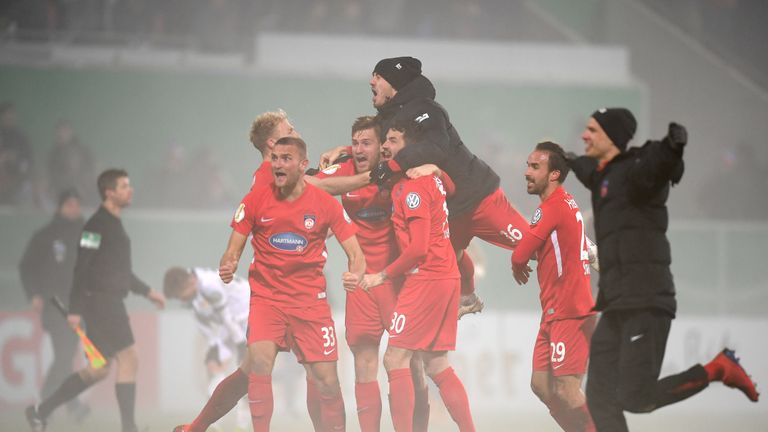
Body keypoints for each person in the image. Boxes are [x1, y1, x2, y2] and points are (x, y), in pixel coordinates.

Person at [568, 108, 759, 431]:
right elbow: (585, 168)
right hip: (616, 303)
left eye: (592, 130)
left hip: (646, 299)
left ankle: (717, 369)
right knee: (599, 397)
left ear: (612, 137)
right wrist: (563, 157)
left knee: (635, 397)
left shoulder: (638, 171)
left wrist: (673, 146)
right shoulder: (603, 175)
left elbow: (658, 165)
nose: (585, 135)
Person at [174, 110, 348, 432]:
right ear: (272, 143)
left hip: (301, 287)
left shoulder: (276, 172)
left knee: (263, 372)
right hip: (279, 291)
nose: (294, 130)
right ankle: (197, 427)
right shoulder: (268, 177)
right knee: (273, 371)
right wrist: (365, 171)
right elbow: (323, 188)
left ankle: (195, 428)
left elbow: (315, 190)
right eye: (288, 128)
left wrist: (344, 154)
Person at [365, 56, 531, 318]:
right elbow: (370, 145)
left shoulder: (426, 109)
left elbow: (437, 146)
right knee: (446, 258)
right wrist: (340, 152)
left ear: (393, 83)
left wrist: (395, 167)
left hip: (478, 199)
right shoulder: (387, 119)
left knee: (533, 248)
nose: (371, 81)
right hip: (448, 210)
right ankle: (468, 298)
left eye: (377, 76)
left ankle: (581, 247)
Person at [220, 136, 365, 431]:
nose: (278, 164)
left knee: (327, 382)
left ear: (303, 166)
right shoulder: (255, 200)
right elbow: (232, 249)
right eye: (275, 158)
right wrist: (229, 263)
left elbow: (356, 254)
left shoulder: (325, 204)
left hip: (310, 304)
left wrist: (356, 273)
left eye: (286, 158)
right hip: (267, 300)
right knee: (260, 366)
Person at [313, 116, 432, 432]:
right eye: (355, 142)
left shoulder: (401, 168)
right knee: (364, 363)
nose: (359, 148)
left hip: (399, 282)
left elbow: (441, 174)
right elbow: (311, 183)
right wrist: (362, 174)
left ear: (384, 146)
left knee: (411, 364)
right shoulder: (346, 167)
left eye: (367, 142)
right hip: (363, 284)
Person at [25, 169, 166, 432]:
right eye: (124, 186)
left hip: (107, 302)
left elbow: (122, 273)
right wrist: (75, 309)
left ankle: (39, 411)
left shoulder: (113, 223)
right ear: (109, 193)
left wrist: (148, 292)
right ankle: (129, 428)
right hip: (102, 304)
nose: (130, 190)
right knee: (130, 358)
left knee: (99, 369)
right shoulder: (95, 226)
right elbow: (82, 267)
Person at [361, 122, 475, 432]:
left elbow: (418, 249)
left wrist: (381, 276)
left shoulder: (411, 188)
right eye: (385, 139)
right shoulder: (427, 179)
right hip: (446, 276)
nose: (385, 145)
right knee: (437, 364)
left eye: (393, 140)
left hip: (427, 276)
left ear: (411, 148)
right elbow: (450, 188)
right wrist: (437, 169)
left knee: (395, 360)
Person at [511, 142, 596, 432]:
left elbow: (521, 253)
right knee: (541, 385)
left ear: (554, 174)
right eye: (528, 165)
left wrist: (517, 264)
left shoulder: (553, 207)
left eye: (535, 167)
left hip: (570, 310)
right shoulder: (564, 203)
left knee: (567, 390)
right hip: (555, 310)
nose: (527, 172)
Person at [18, 189, 90, 423]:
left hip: (78, 304)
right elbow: (26, 266)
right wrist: (34, 294)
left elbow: (98, 259)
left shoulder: (88, 233)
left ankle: (48, 405)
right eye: (68, 203)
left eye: (76, 203)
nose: (73, 208)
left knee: (66, 356)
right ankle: (62, 404)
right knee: (64, 354)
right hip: (54, 303)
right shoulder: (45, 235)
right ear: (60, 206)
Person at [163, 266, 250, 431]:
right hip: (231, 323)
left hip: (247, 316)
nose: (181, 300)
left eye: (180, 295)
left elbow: (225, 316)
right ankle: (213, 424)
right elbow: (204, 320)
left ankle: (243, 422)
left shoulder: (210, 286)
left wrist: (240, 343)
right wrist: (213, 344)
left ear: (190, 283)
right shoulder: (196, 287)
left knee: (247, 371)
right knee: (213, 365)